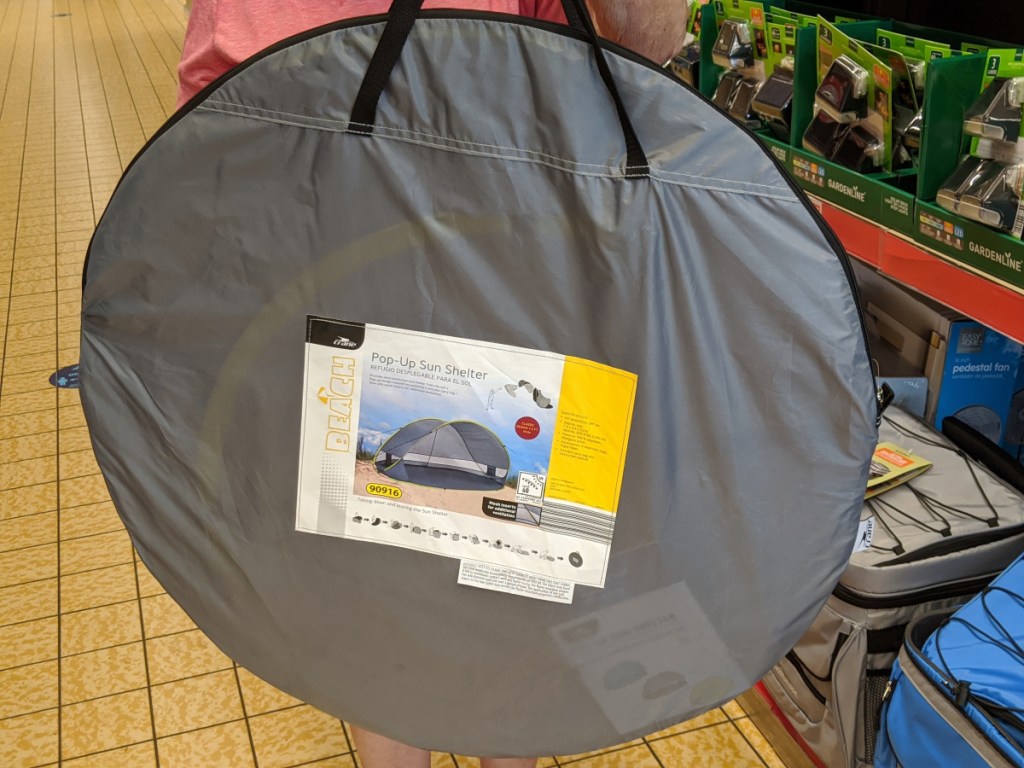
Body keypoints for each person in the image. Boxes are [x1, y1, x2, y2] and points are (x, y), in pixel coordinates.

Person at [174, 1, 687, 766]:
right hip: (372, 319)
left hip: (511, 314)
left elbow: (641, 51)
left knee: (499, 598)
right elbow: (207, 153)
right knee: (389, 602)